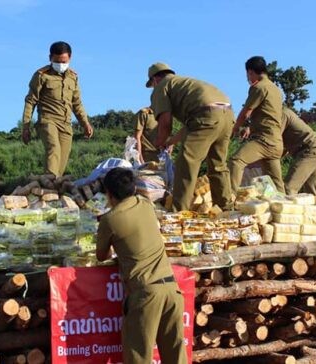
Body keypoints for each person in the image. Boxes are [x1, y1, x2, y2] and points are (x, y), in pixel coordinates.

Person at [96, 168, 186, 364]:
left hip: (146, 294)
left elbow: (101, 256)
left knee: (138, 356)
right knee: (176, 355)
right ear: (134, 188)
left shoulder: (109, 220)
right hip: (172, 290)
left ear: (109, 194)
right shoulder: (145, 204)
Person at [147, 62, 233, 211]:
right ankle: (225, 210)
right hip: (227, 114)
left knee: (186, 164)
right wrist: (169, 142)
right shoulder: (184, 83)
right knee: (218, 165)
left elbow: (165, 122)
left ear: (155, 79)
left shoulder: (161, 87)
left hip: (205, 114)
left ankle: (179, 214)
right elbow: (192, 126)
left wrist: (158, 142)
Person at [21, 41, 93, 177]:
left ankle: (53, 189)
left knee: (62, 161)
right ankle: (49, 185)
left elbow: (77, 103)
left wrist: (85, 123)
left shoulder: (73, 77)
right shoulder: (41, 75)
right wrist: (26, 126)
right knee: (53, 149)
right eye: (57, 61)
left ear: (70, 58)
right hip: (48, 121)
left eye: (64, 61)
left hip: (66, 124)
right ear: (50, 58)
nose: (61, 65)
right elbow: (30, 101)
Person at [229, 56, 285, 193]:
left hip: (263, 140)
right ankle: (284, 207)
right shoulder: (276, 89)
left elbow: (246, 112)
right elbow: (267, 113)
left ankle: (230, 200)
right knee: (276, 183)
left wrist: (233, 129)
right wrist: (248, 127)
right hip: (276, 142)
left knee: (236, 161)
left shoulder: (259, 87)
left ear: (250, 72)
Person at [279, 108, 316, 195]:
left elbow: (274, 140)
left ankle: (288, 209)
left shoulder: (282, 114)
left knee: (288, 189)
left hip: (309, 152)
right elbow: (282, 149)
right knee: (312, 196)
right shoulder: (284, 114)